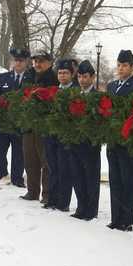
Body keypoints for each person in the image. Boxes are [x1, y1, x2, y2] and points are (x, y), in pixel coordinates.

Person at [106, 50, 133, 232]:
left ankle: (127, 219)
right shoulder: (111, 86)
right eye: (119, 65)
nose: (121, 68)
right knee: (115, 179)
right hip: (113, 139)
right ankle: (116, 217)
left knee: (128, 179)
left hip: (129, 140)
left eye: (124, 65)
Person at [20, 49, 59, 202]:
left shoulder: (53, 78)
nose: (38, 64)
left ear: (49, 62)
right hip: (29, 125)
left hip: (44, 125)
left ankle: (47, 194)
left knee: (46, 161)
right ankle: (32, 191)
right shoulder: (28, 75)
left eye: (41, 61)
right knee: (30, 160)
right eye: (35, 61)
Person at [0, 47, 30, 187]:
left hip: (20, 121)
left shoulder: (30, 78)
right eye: (16, 60)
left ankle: (17, 177)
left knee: (19, 151)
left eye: (21, 61)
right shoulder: (4, 77)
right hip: (3, 120)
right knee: (0, 149)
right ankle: (0, 172)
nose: (18, 63)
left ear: (26, 62)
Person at [43, 58, 76, 212]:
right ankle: (52, 198)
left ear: (72, 74)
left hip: (66, 136)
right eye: (60, 73)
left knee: (64, 169)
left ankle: (63, 202)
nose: (62, 76)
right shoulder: (53, 90)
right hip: (51, 135)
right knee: (52, 168)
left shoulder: (75, 91)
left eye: (66, 73)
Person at [70, 60, 101, 220]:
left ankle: (91, 209)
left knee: (90, 176)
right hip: (75, 142)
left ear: (92, 77)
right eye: (80, 76)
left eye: (85, 76)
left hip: (90, 144)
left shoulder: (97, 97)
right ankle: (81, 206)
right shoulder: (74, 95)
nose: (82, 80)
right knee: (77, 176)